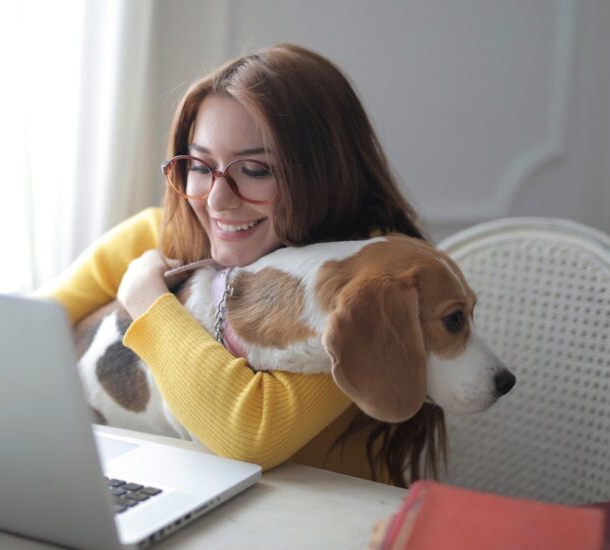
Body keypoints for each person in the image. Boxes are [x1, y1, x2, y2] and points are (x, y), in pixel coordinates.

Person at [39, 43, 444, 487]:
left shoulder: (361, 288)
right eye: (199, 164)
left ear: (325, 175)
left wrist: (148, 302)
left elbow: (250, 436)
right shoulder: (154, 238)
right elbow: (14, 335)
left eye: (254, 170)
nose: (217, 200)